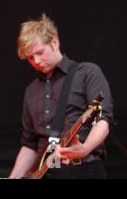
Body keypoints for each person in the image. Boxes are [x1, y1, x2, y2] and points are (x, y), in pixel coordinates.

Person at [9, 14, 114, 179]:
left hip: (85, 169)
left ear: (54, 42)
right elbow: (29, 144)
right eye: (30, 58)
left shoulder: (87, 73)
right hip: (46, 173)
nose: (36, 61)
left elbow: (103, 120)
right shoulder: (30, 90)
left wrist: (86, 148)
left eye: (39, 52)